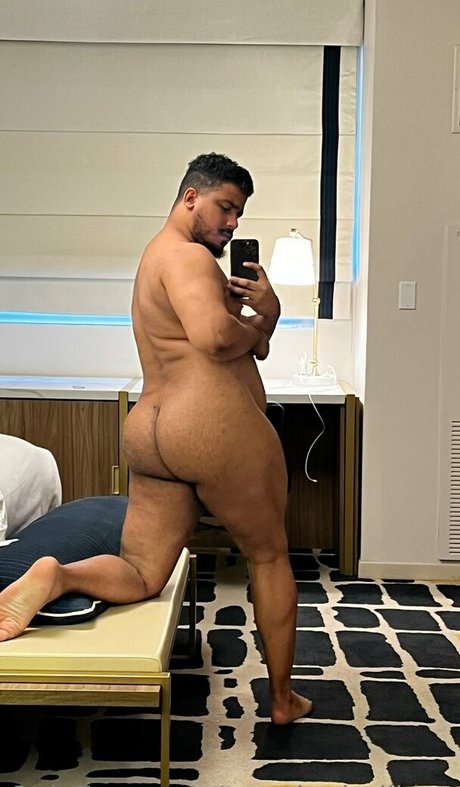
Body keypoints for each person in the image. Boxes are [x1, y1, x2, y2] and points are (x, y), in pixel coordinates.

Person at [0, 153, 312, 725]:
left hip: (152, 426)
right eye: (225, 207)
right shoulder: (190, 257)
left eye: (239, 215)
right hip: (211, 424)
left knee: (144, 573)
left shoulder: (155, 257)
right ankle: (282, 700)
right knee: (268, 556)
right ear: (190, 197)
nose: (232, 223)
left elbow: (237, 340)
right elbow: (216, 339)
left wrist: (260, 318)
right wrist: (265, 317)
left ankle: (58, 574)